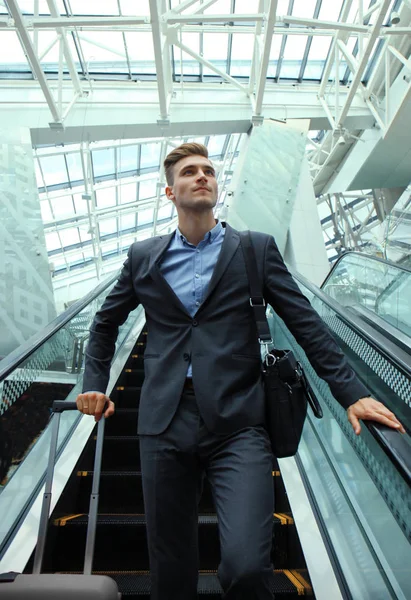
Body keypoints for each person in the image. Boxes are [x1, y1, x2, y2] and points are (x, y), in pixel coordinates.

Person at [76, 142, 405, 600]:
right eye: (189, 172)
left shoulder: (253, 249)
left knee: (248, 566)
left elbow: (305, 323)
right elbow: (104, 323)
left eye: (208, 170)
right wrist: (94, 385)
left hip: (239, 423)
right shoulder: (143, 256)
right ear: (169, 191)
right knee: (170, 575)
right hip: (163, 425)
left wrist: (350, 391)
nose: (202, 176)